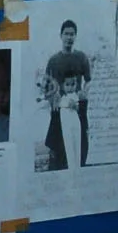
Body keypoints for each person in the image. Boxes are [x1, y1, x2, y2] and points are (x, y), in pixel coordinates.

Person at [42, 20, 91, 170]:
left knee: (81, 148)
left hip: (77, 109)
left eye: (72, 34)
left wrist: (83, 94)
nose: (69, 37)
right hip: (59, 111)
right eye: (66, 34)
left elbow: (89, 81)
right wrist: (53, 98)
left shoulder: (81, 57)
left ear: (76, 36)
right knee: (59, 152)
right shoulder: (53, 60)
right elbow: (45, 87)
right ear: (61, 35)